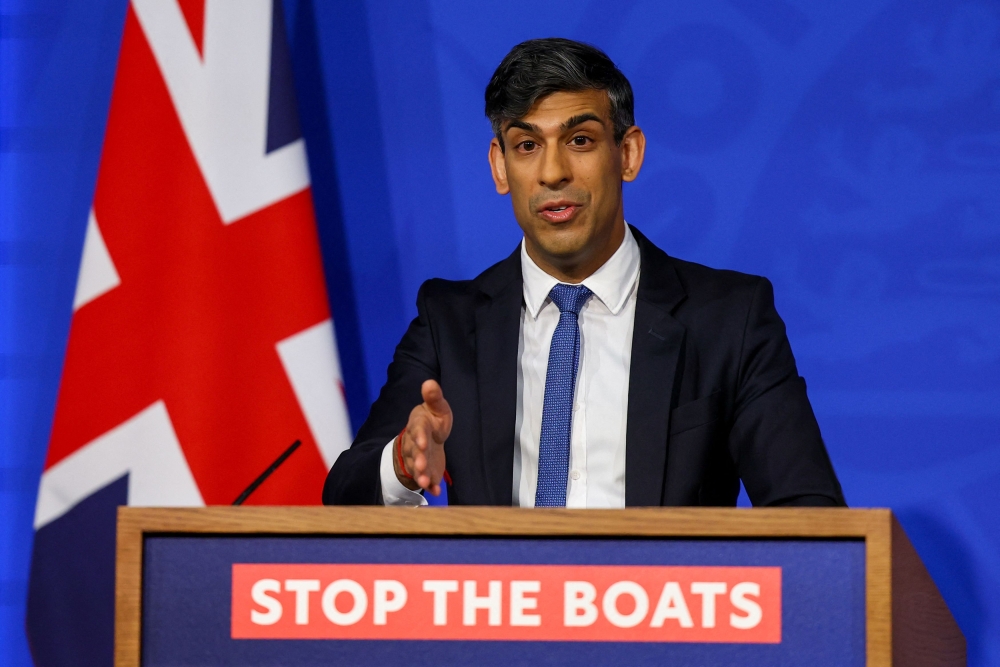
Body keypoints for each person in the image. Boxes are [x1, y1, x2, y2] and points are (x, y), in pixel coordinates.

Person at [323, 38, 845, 508]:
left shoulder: (728, 320)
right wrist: (403, 464)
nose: (552, 173)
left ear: (628, 153)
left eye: (580, 141)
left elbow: (810, 512)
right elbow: (344, 493)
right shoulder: (450, 323)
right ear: (501, 167)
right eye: (527, 146)